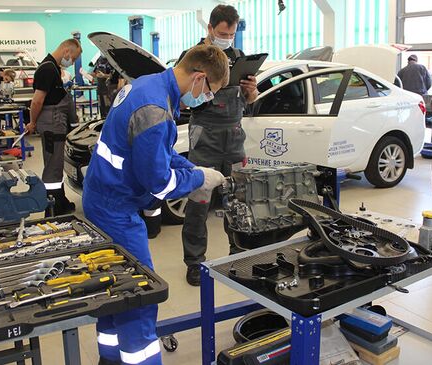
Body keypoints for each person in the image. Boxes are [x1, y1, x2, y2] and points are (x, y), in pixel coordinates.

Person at [82, 44, 230, 365]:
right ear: (199, 78)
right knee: (139, 297)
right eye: (209, 92)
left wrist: (192, 168)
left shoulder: (150, 85)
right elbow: (159, 182)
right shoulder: (154, 109)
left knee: (114, 289)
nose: (206, 99)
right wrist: (198, 180)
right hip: (115, 211)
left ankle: (109, 359)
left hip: (103, 197)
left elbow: (160, 153)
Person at [178, 4, 259, 286]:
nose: (228, 38)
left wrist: (251, 93)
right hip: (206, 138)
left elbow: (248, 103)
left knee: (238, 202)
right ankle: (194, 262)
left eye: (232, 33)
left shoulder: (238, 57)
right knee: (199, 203)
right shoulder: (193, 57)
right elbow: (182, 98)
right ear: (210, 29)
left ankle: (237, 255)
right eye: (223, 33)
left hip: (235, 139)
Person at [25, 39, 82, 216]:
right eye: (73, 58)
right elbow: (37, 100)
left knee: (56, 164)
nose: (71, 63)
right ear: (66, 51)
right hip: (51, 124)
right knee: (52, 168)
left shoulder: (54, 68)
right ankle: (52, 209)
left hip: (56, 124)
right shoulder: (47, 69)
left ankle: (61, 200)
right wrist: (32, 122)